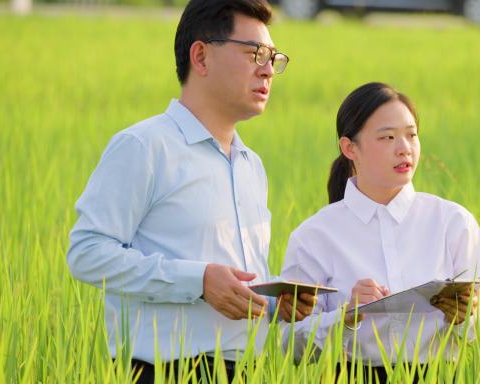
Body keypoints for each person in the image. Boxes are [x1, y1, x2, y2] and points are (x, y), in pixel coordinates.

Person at [66, 1, 315, 382]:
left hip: (248, 369)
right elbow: (87, 254)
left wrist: (273, 303)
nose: (267, 69)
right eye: (254, 53)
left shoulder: (252, 166)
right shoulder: (144, 146)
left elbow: (235, 278)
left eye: (273, 57)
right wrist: (198, 281)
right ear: (201, 56)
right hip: (163, 371)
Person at [280, 82, 480, 382]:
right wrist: (344, 316)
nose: (404, 148)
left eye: (411, 135)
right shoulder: (315, 236)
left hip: (440, 375)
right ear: (349, 147)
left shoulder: (452, 222)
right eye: (388, 137)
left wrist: (464, 318)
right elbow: (289, 342)